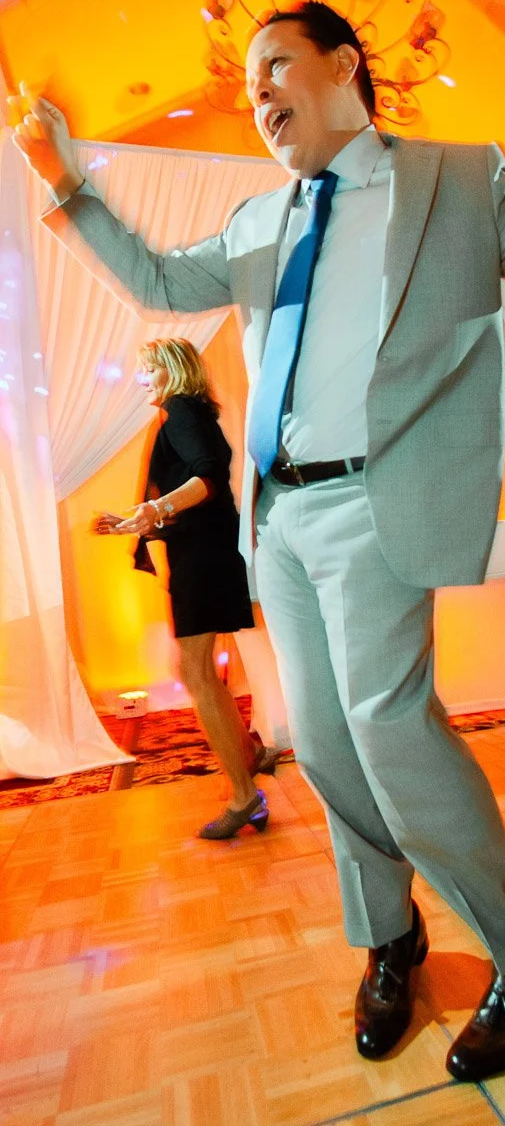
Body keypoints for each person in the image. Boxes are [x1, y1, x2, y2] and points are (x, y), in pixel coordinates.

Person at [9, 2, 505, 1082]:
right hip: (274, 517)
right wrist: (63, 181)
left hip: (377, 500)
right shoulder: (257, 222)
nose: (257, 92)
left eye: (274, 64)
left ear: (343, 66)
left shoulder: (458, 181)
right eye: (247, 81)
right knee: (326, 746)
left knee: (387, 731)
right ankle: (390, 939)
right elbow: (154, 285)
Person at [94, 338, 280, 838]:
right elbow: (198, 484)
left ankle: (245, 797)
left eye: (148, 370)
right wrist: (136, 521)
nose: (142, 380)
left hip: (205, 557)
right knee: (201, 673)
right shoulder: (190, 411)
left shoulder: (180, 411)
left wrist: (155, 510)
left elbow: (206, 480)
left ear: (171, 372)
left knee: (195, 673)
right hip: (204, 552)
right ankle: (250, 759)